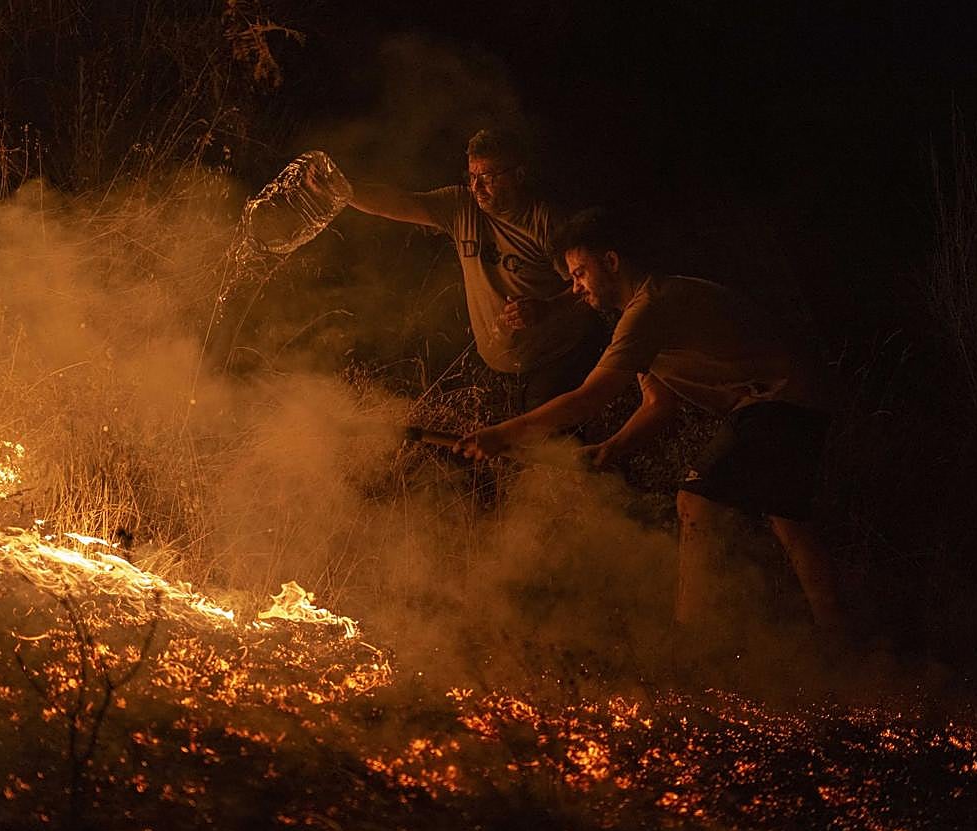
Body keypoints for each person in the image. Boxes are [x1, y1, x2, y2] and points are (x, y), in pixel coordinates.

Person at [454, 211, 846, 633]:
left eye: (580, 273)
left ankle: (692, 639)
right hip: (790, 397)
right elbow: (660, 403)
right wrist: (611, 449)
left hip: (781, 395)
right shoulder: (642, 315)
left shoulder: (651, 308)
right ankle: (839, 641)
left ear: (612, 261)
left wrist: (502, 433)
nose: (576, 287)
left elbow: (591, 396)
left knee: (695, 502)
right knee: (788, 521)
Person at [346, 129, 607, 411]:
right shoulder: (461, 208)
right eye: (472, 176)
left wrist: (547, 308)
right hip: (497, 367)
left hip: (554, 361)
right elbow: (395, 202)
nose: (477, 187)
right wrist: (340, 188)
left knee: (549, 447)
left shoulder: (546, 222)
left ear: (518, 175)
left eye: (489, 177)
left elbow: (594, 286)